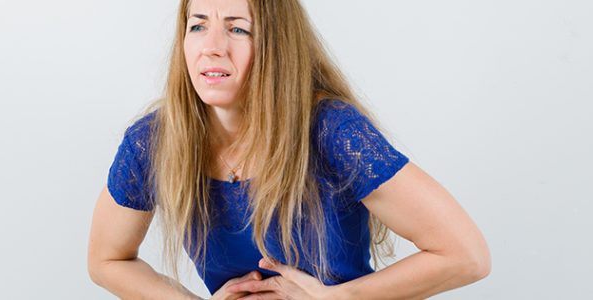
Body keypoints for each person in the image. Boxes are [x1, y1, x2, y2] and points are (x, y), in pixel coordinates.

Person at [87, 0, 491, 299]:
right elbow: (107, 260)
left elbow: (466, 255)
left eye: (237, 29)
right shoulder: (153, 141)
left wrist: (335, 299)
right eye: (197, 26)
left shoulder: (331, 129)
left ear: (274, 45)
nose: (212, 47)